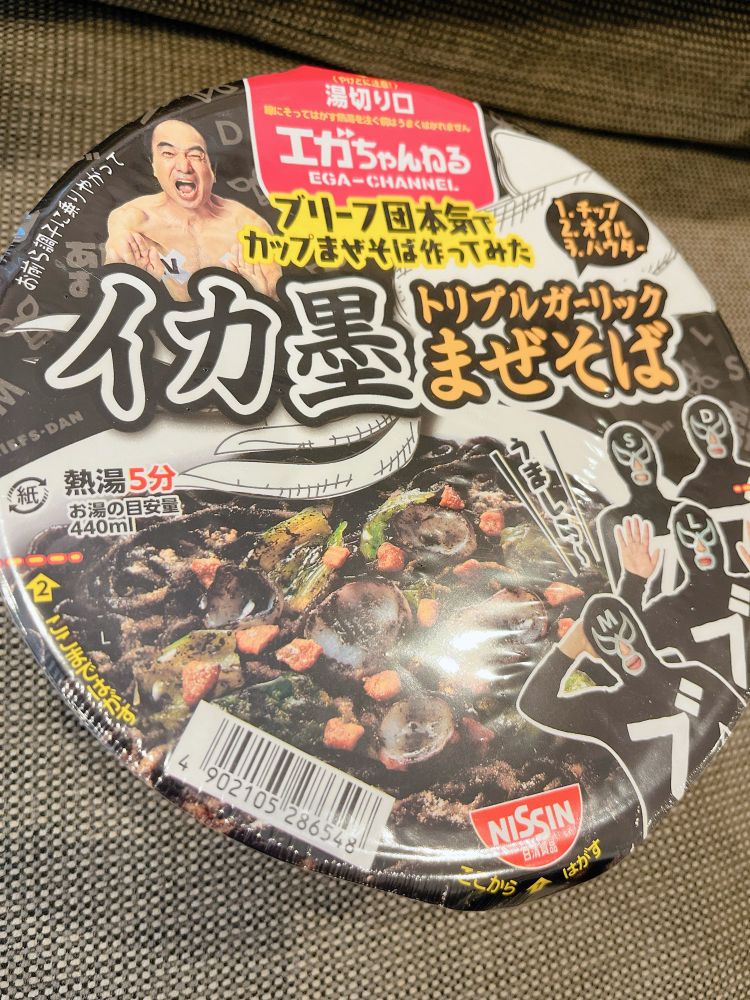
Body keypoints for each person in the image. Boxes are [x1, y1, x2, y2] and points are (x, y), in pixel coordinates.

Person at [517, 595, 743, 835]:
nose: (624, 650)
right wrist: (576, 640)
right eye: (608, 645)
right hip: (680, 837)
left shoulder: (695, 673)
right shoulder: (608, 708)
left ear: (639, 629)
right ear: (598, 654)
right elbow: (535, 703)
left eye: (627, 634)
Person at [104, 118, 280, 301]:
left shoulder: (247, 225)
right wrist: (137, 286)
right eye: (168, 153)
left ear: (212, 169)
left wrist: (262, 296)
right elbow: (109, 291)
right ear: (154, 166)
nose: (184, 167)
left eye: (196, 155)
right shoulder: (133, 220)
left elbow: (278, 299)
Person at [616, 504, 750, 695]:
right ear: (680, 547)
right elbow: (624, 641)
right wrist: (633, 582)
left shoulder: (745, 586)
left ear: (718, 539)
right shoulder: (671, 610)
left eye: (706, 535)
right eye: (688, 539)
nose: (700, 547)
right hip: (725, 707)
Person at [596, 422, 680, 597]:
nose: (638, 465)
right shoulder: (612, 520)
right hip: (650, 608)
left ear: (655, 457)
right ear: (617, 465)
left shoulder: (684, 510)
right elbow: (622, 594)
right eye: (625, 457)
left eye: (643, 454)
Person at [678, 395, 750, 573]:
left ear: (729, 429)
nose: (713, 439)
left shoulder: (747, 474)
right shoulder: (691, 490)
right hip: (723, 579)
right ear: (694, 437)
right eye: (702, 432)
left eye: (718, 429)